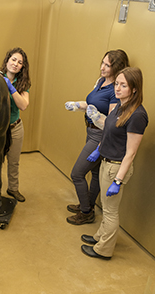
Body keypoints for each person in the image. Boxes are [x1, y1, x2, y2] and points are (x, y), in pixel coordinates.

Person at [80, 67, 148, 260]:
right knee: (105, 206)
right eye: (117, 84)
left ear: (134, 88)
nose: (117, 88)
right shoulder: (120, 106)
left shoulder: (137, 115)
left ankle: (103, 250)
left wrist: (118, 181)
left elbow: (131, 152)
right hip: (106, 161)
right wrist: (98, 149)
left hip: (116, 167)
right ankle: (100, 237)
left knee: (110, 211)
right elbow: (110, 132)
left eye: (123, 85)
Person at [64, 49, 130, 225]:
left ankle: (86, 212)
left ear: (117, 68)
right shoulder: (101, 81)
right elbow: (92, 103)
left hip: (100, 136)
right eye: (102, 63)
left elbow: (110, 122)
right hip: (90, 131)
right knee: (94, 173)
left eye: (107, 65)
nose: (102, 68)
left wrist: (100, 143)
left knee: (77, 174)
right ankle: (88, 205)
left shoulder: (114, 90)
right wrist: (78, 105)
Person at [0, 47, 31, 202]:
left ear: (22, 67)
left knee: (14, 161)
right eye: (13, 60)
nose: (15, 64)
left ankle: (13, 189)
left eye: (20, 62)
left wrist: (11, 88)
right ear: (7, 60)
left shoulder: (23, 83)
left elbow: (23, 105)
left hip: (15, 127)